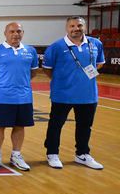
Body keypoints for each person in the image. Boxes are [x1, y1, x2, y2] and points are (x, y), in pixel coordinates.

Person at [42, 16, 105, 170]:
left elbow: (99, 63)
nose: (76, 28)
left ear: (85, 27)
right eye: (72, 26)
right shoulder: (56, 47)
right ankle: (52, 153)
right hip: (62, 95)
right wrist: (62, 81)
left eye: (79, 25)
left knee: (85, 126)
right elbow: (47, 69)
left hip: (88, 95)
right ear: (67, 28)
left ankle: (82, 154)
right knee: (56, 125)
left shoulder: (96, 43)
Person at [0, 22, 38, 171]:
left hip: (24, 97)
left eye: (18, 31)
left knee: (20, 126)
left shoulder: (30, 51)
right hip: (1, 97)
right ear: (5, 33)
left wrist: (21, 84)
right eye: (12, 31)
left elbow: (33, 72)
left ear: (23, 33)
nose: (15, 34)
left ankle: (16, 155)